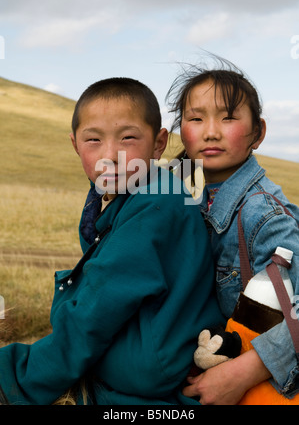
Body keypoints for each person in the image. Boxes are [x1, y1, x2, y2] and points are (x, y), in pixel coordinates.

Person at [0, 77, 224, 405]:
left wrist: (16, 376)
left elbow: (97, 310)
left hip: (149, 377)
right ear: (75, 144)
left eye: (128, 138)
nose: (110, 155)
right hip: (147, 360)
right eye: (93, 140)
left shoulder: (155, 205)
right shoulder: (123, 196)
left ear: (158, 143)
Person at [166, 60, 299, 405]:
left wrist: (245, 372)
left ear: (258, 132)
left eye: (228, 117)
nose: (211, 131)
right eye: (196, 119)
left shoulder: (264, 215)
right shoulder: (184, 193)